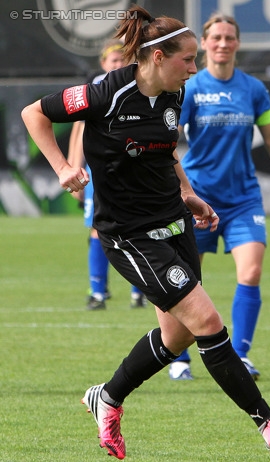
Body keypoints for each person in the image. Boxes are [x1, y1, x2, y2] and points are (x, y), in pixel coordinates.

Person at [21, 6, 270, 459]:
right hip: (129, 234)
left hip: (174, 221)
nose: (193, 69)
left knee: (177, 337)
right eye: (187, 60)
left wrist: (187, 192)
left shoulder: (173, 93)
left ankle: (106, 398)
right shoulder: (105, 92)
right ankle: (268, 422)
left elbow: (166, 151)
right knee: (208, 322)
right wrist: (63, 167)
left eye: (194, 60)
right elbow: (34, 112)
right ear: (155, 57)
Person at [173, 12, 270, 382]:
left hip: (243, 199)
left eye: (229, 37)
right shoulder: (192, 88)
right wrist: (178, 188)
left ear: (238, 44)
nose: (222, 43)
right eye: (216, 37)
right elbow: (166, 140)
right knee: (185, 281)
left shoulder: (253, 89)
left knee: (251, 271)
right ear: (204, 43)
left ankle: (241, 356)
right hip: (199, 200)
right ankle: (179, 358)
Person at [67, 39, 147, 310]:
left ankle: (140, 291)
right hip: (99, 172)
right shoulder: (94, 90)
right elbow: (79, 130)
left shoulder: (139, 86)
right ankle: (97, 292)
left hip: (134, 170)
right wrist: (73, 167)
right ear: (103, 63)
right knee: (97, 229)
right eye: (113, 60)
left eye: (122, 60)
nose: (118, 64)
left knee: (139, 227)